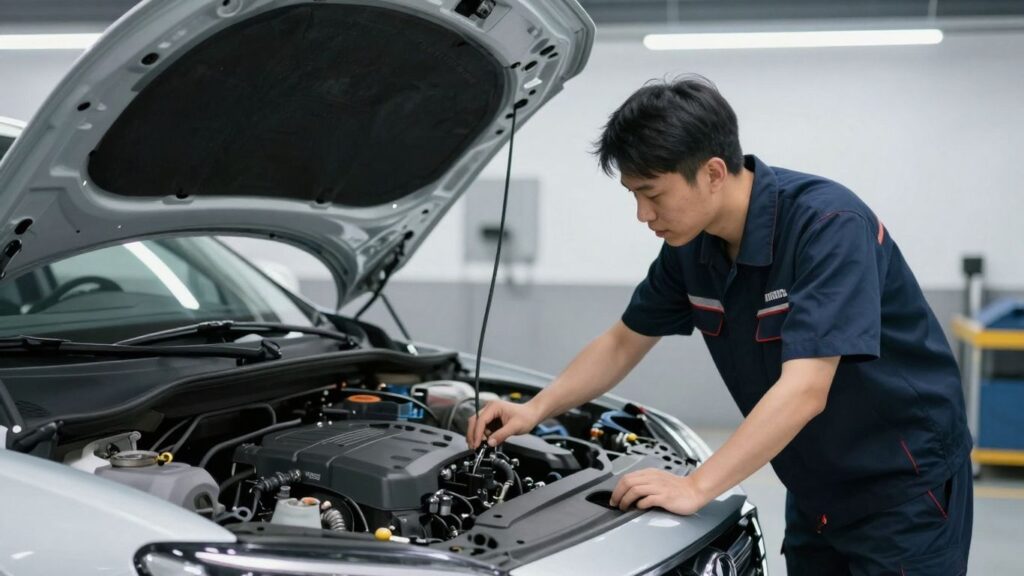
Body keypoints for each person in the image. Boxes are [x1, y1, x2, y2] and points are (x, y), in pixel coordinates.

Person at [466, 76, 973, 575]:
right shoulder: (690, 247)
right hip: (814, 485)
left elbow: (805, 390)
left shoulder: (828, 227)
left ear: (712, 173)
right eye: (632, 194)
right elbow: (623, 342)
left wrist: (697, 486)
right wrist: (535, 408)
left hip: (902, 489)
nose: (642, 214)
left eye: (652, 193)